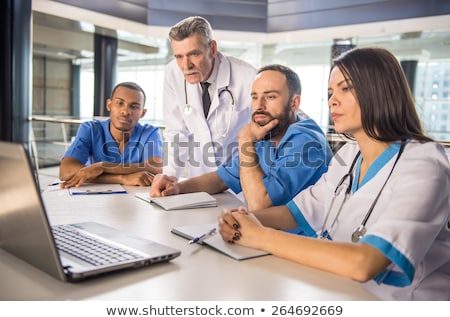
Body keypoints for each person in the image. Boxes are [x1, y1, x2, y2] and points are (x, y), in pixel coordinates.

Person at [218, 47, 450, 300]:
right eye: (330, 92)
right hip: (339, 291)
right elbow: (294, 213)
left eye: (345, 88)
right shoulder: (349, 155)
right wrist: (242, 219)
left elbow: (364, 263)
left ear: (380, 90)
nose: (332, 101)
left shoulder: (425, 163)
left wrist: (260, 236)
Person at [151, 64, 331, 211]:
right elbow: (221, 178)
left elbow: (260, 205)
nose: (259, 105)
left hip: (301, 244)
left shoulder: (307, 142)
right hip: (266, 236)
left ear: (294, 103)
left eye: (270, 96)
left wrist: (245, 141)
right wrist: (178, 187)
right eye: (254, 97)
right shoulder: (266, 135)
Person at [163, 16, 256, 179]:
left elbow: (284, 116)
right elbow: (176, 132)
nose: (186, 65)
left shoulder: (248, 77)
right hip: (199, 179)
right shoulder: (172, 73)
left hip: (239, 181)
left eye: (194, 54)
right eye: (179, 56)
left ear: (212, 49)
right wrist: (170, 176)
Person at [59, 82, 163, 188]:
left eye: (134, 107)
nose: (126, 111)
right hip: (96, 200)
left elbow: (157, 168)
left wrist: (103, 166)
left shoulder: (150, 132)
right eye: (120, 103)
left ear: (142, 113)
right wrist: (122, 179)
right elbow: (65, 171)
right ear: (109, 105)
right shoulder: (90, 129)